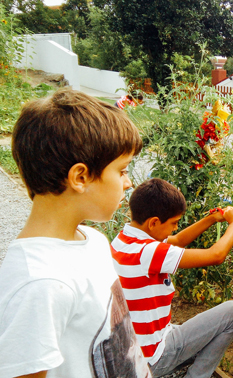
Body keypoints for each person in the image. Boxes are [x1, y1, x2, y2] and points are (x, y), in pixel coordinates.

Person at [0, 88, 148, 378]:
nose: (128, 183)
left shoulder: (93, 240)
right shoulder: (40, 285)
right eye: (122, 170)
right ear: (80, 177)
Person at [110, 178, 233, 378]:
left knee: (206, 333)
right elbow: (216, 255)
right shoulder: (148, 252)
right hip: (153, 358)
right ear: (154, 222)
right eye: (173, 223)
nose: (174, 228)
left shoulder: (124, 240)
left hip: (133, 352)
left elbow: (179, 240)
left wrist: (213, 219)